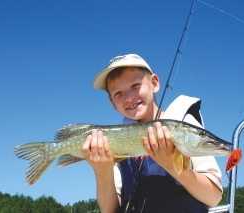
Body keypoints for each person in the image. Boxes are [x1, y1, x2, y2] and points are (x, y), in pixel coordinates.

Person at [82, 54, 223, 213]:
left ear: (154, 83)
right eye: (118, 93)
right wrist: (102, 172)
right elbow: (109, 210)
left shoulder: (184, 124)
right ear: (112, 102)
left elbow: (214, 197)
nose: (129, 97)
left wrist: (173, 166)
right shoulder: (112, 142)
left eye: (135, 85)